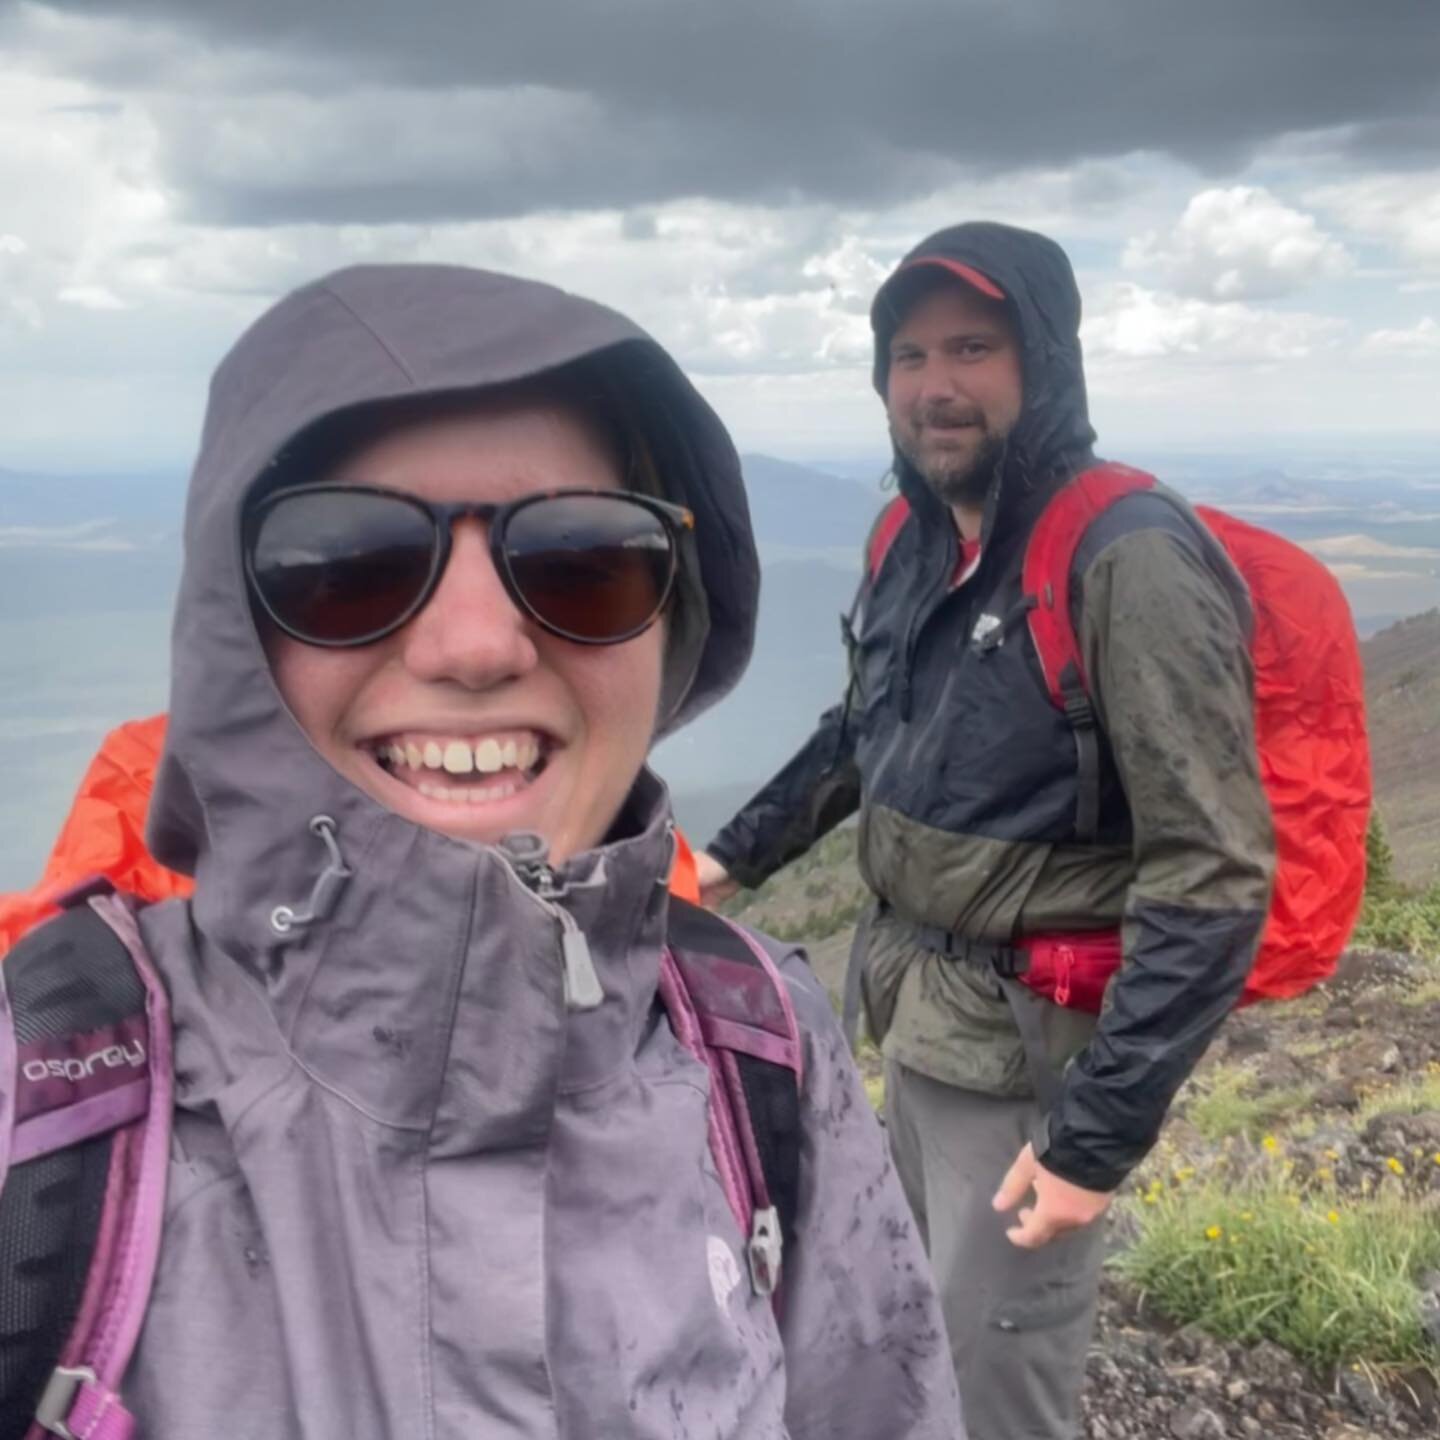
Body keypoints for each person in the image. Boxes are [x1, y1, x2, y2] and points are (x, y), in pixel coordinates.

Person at [2, 264, 963, 1438]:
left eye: (585, 560)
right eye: (342, 565)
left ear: (675, 619)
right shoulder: (36, 1102)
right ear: (229, 634)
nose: (475, 645)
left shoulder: (763, 1051)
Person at [698, 222, 1275, 1439]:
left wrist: (1091, 1144)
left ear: (1045, 361)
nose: (935, 385)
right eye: (908, 356)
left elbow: (1216, 873)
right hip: (913, 1016)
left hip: (1027, 1060)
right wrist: (730, 858)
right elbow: (867, 734)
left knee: (991, 1389)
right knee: (905, 1341)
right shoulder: (913, 537)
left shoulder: (1130, 557)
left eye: (973, 346)